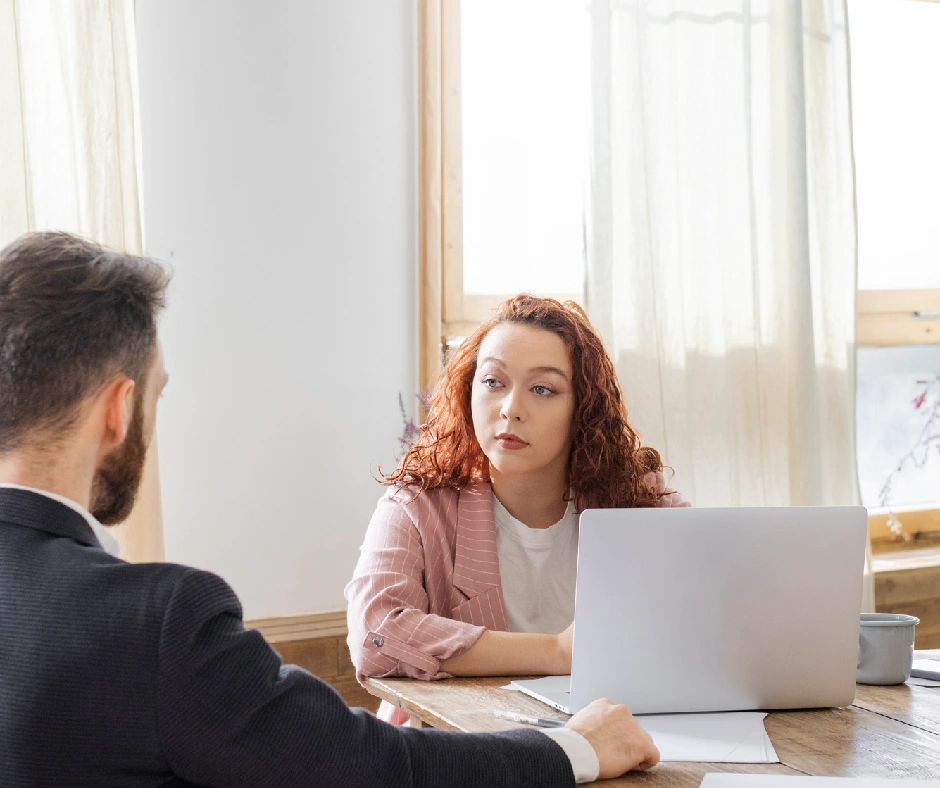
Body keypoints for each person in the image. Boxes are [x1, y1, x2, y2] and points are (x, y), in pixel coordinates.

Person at [0, 231, 659, 787]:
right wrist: (573, 749)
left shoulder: (634, 499)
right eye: (157, 397)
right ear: (120, 409)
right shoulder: (156, 621)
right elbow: (365, 762)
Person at [346, 295, 690, 723]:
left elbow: (705, 611)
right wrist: (558, 652)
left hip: (616, 735)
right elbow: (376, 636)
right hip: (455, 744)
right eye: (493, 382)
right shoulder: (417, 502)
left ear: (582, 408)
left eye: (542, 389)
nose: (511, 408)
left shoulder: (636, 499)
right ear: (467, 390)